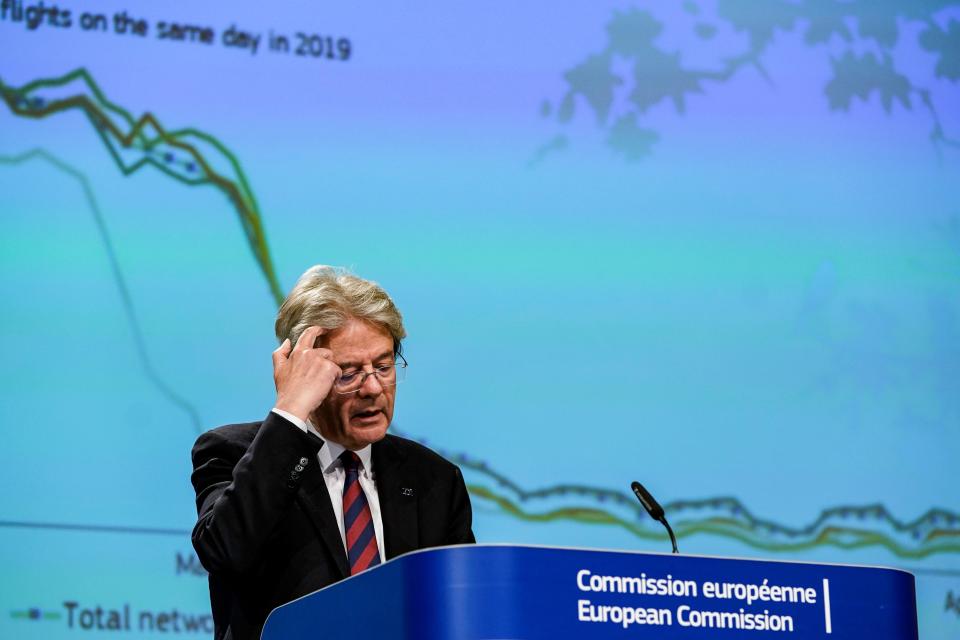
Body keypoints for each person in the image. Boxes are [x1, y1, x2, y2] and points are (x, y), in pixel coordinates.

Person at [190, 265, 475, 640]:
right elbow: (224, 551)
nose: (373, 387)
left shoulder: (434, 479)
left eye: (384, 366)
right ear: (304, 371)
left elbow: (463, 607)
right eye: (348, 372)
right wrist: (291, 408)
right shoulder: (233, 452)